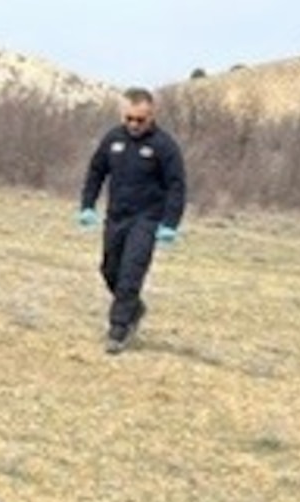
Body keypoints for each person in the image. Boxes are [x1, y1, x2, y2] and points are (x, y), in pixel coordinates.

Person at [76, 87, 187, 355]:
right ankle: (134, 307)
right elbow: (96, 171)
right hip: (117, 216)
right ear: (122, 115)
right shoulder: (113, 139)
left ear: (152, 115)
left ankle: (119, 329)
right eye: (129, 119)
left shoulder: (164, 146)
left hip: (147, 220)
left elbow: (177, 186)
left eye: (141, 119)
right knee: (109, 270)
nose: (134, 124)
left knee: (130, 274)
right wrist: (87, 205)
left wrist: (170, 224)